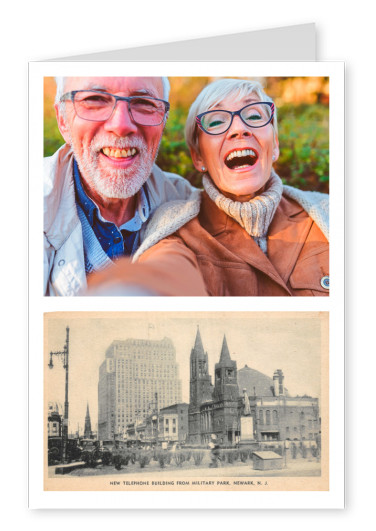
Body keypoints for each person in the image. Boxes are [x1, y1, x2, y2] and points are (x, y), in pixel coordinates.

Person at [87, 78, 329, 296]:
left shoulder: (328, 213)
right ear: (198, 157)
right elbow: (166, 270)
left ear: (274, 144)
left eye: (254, 116)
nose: (239, 129)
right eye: (216, 121)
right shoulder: (177, 229)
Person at [44, 76, 198, 296]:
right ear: (62, 120)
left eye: (144, 103)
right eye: (95, 99)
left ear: (163, 121)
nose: (121, 125)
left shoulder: (187, 204)